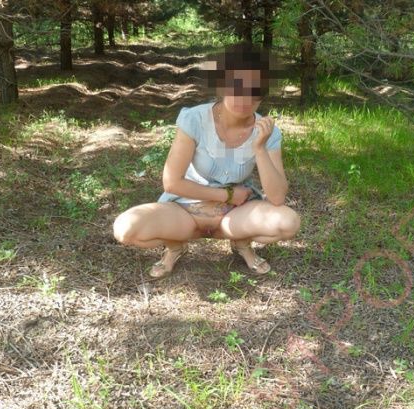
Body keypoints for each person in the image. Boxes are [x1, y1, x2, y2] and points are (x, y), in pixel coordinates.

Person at [113, 42, 300, 278]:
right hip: (185, 209)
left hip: (235, 215)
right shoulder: (195, 120)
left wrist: (260, 148)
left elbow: (277, 197)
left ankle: (241, 242)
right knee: (126, 229)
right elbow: (171, 183)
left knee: (288, 222)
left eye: (255, 91)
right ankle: (175, 245)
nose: (245, 98)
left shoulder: (267, 131)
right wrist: (227, 195)